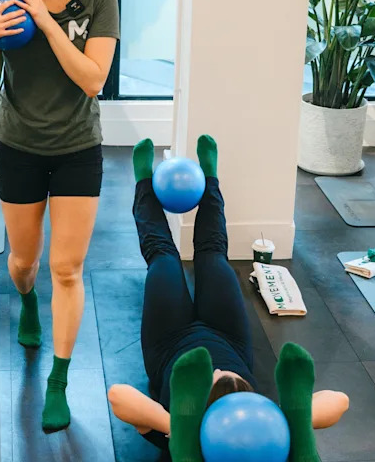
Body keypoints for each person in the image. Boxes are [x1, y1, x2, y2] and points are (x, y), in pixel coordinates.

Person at [0, 0, 120, 432]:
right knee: (24, 263)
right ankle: (28, 300)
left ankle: (58, 381)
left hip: (78, 147)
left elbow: (93, 79)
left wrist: (47, 20)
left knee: (68, 269)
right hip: (19, 147)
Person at [107, 135, 349, 461]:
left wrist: (178, 426)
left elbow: (118, 396)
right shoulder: (262, 432)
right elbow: (340, 401)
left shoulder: (185, 434)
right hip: (227, 337)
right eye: (236, 383)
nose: (218, 370)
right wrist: (291, 421)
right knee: (213, 256)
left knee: (163, 258)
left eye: (215, 381)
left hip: (168, 343)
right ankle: (210, 176)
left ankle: (143, 181)